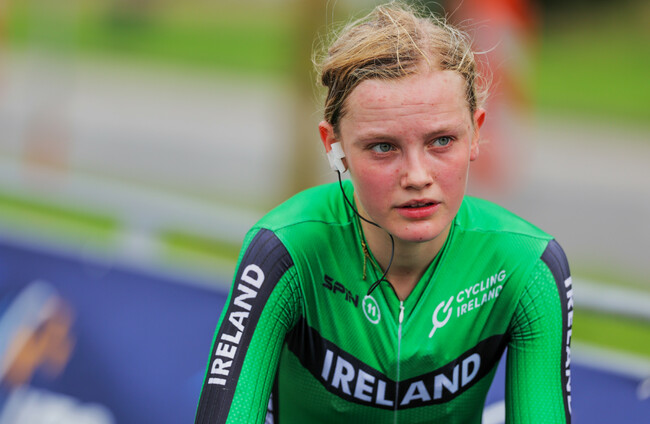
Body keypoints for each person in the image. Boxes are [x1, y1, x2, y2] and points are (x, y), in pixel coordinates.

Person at [195, 3, 572, 423]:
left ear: (476, 132)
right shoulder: (285, 250)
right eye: (383, 147)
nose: (417, 176)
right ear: (334, 146)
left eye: (442, 141)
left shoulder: (529, 265)